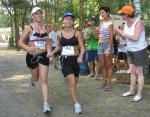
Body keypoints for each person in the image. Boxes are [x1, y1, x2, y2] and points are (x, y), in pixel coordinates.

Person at [18, 7, 52, 112]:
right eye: (36, 14)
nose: (38, 15)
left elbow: (48, 42)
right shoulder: (28, 28)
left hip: (43, 55)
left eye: (40, 13)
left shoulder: (46, 27)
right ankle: (32, 79)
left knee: (44, 80)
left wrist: (50, 52)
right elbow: (20, 42)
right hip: (32, 57)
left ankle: (46, 104)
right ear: (32, 16)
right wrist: (29, 48)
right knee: (36, 79)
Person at [51, 13, 85, 114]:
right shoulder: (59, 34)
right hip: (64, 60)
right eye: (66, 19)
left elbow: (82, 47)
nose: (68, 21)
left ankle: (68, 79)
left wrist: (80, 56)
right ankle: (76, 104)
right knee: (73, 82)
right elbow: (58, 47)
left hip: (75, 60)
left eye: (70, 19)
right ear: (63, 21)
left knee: (75, 81)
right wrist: (52, 54)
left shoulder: (77, 33)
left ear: (72, 21)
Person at [116, 5, 147, 102]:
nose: (121, 15)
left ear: (128, 14)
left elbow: (135, 37)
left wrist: (120, 31)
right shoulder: (125, 23)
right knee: (132, 71)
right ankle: (131, 91)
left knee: (139, 72)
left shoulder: (138, 22)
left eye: (122, 14)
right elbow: (126, 38)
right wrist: (119, 32)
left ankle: (139, 94)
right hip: (130, 50)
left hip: (139, 50)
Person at [98, 6, 114, 90]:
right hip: (100, 45)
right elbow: (98, 34)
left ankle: (109, 83)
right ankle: (104, 81)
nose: (101, 14)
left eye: (103, 12)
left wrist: (109, 48)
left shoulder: (110, 23)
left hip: (108, 45)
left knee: (108, 65)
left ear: (107, 13)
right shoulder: (101, 23)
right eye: (100, 13)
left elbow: (111, 36)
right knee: (102, 65)